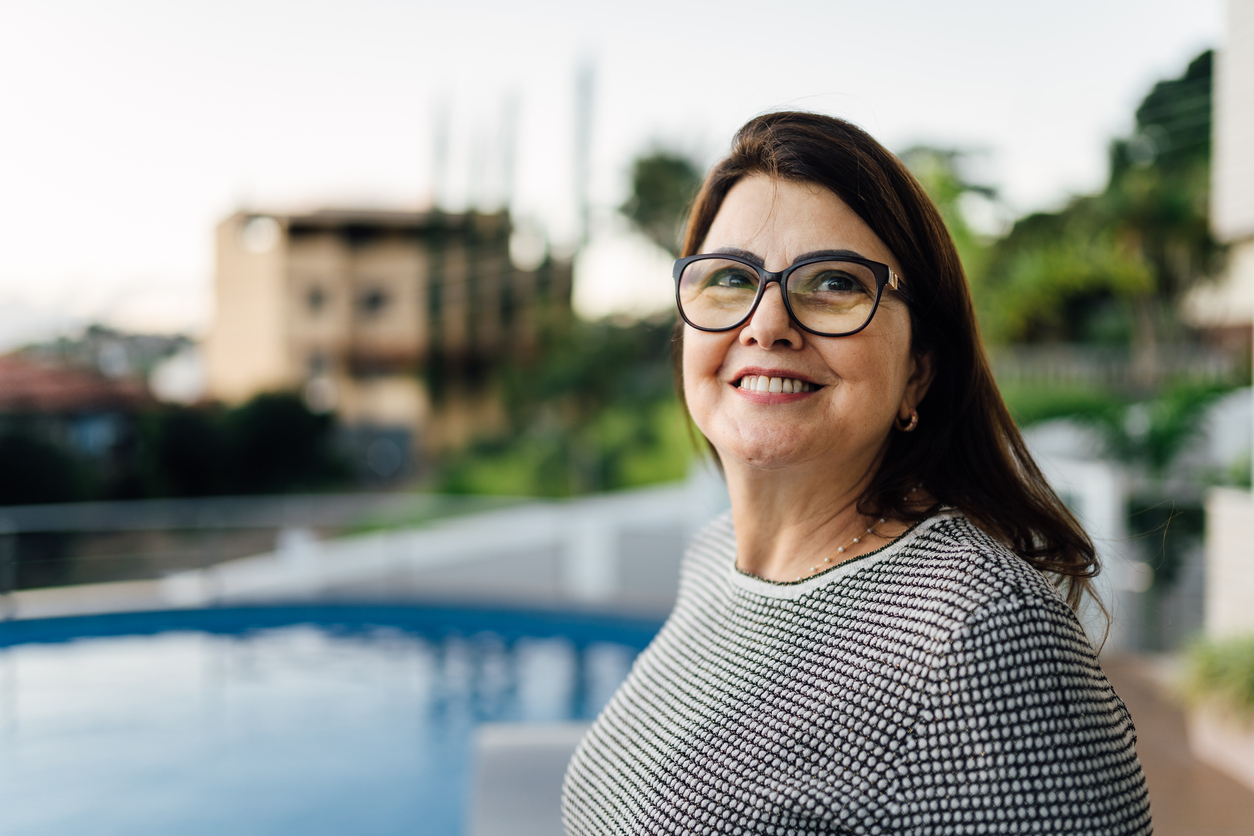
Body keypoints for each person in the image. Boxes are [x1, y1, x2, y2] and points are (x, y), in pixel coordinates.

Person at [561, 112, 1152, 835]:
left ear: (919, 373)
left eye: (835, 282)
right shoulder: (714, 558)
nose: (767, 323)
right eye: (729, 278)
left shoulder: (977, 632)